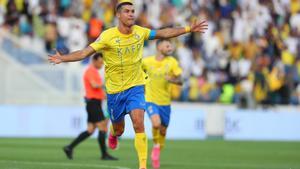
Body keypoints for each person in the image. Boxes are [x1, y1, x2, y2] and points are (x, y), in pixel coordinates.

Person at [48, 1, 208, 168]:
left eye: (133, 11)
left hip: (136, 87)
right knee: (119, 130)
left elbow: (163, 33)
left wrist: (188, 29)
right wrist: (63, 58)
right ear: (118, 15)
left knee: (139, 123)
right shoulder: (107, 36)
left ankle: (143, 165)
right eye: (127, 11)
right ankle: (113, 134)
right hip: (115, 92)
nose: (131, 14)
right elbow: (84, 52)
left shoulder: (140, 32)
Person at [63, 53, 117, 161]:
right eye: (100, 62)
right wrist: (107, 84)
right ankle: (104, 154)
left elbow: (96, 89)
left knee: (91, 130)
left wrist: (106, 96)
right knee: (103, 127)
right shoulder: (90, 71)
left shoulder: (94, 72)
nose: (101, 65)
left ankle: (69, 147)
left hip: (94, 103)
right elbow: (94, 85)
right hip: (93, 103)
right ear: (95, 60)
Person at [142, 39, 182, 169]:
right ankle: (156, 146)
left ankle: (158, 148)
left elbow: (180, 81)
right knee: (156, 124)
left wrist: (173, 80)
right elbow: (136, 71)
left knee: (163, 131)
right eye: (167, 45)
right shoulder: (147, 62)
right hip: (150, 99)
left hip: (165, 102)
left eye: (170, 46)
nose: (170, 48)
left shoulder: (172, 62)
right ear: (159, 47)